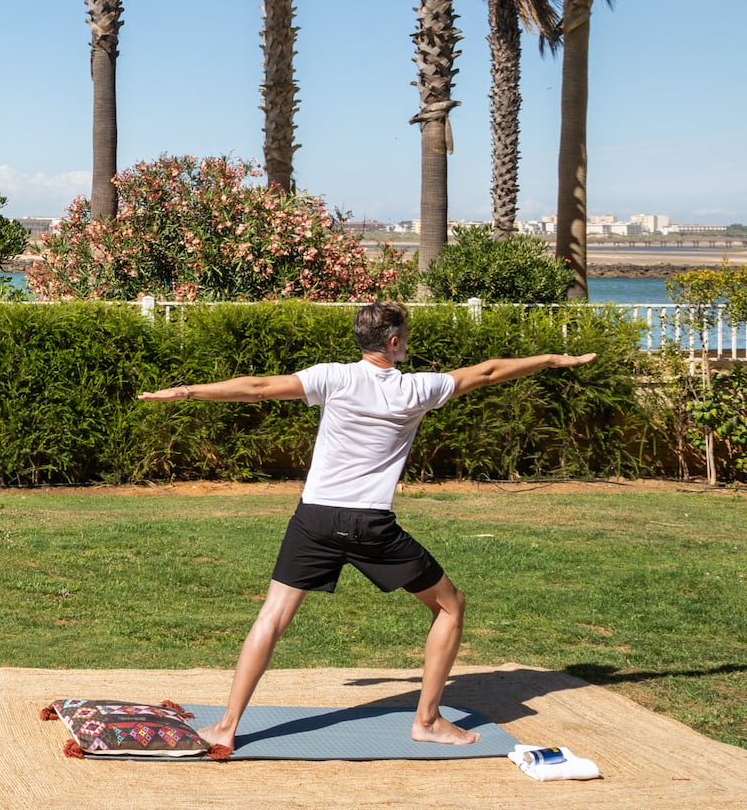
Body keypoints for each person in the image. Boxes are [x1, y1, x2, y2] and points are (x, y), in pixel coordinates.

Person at [136, 300, 595, 757]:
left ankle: (226, 727)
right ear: (393, 343)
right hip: (371, 524)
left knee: (273, 616)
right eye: (406, 337)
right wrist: (552, 359)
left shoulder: (333, 377)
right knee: (451, 607)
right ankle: (428, 722)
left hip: (315, 517)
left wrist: (187, 391)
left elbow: (257, 387)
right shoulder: (418, 389)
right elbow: (491, 371)